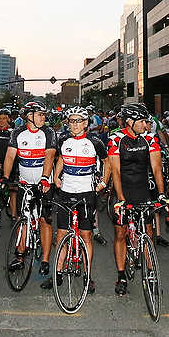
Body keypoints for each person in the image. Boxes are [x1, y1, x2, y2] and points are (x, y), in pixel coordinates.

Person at [107, 103, 169, 296]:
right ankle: (121, 276)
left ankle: (150, 272)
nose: (146, 124)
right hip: (122, 190)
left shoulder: (150, 139)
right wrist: (121, 199)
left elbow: (157, 168)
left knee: (149, 232)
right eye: (142, 121)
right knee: (121, 234)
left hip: (142, 189)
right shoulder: (116, 139)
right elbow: (115, 171)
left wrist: (161, 194)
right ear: (130, 122)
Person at [44, 106, 107, 293]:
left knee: (86, 235)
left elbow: (107, 162)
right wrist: (57, 175)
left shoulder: (95, 141)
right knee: (61, 234)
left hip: (87, 193)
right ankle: (58, 273)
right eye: (72, 121)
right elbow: (61, 158)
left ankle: (88, 276)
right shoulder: (63, 138)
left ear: (86, 123)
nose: (75, 124)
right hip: (66, 191)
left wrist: (103, 182)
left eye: (79, 120)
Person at [3, 101, 58, 283]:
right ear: (29, 116)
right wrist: (4, 177)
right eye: (40, 114)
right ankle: (19, 255)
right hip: (25, 183)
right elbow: (10, 156)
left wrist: (44, 177)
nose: (43, 117)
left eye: (43, 114)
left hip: (44, 183)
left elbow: (50, 155)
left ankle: (44, 260)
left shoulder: (48, 132)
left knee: (44, 220)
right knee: (23, 218)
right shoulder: (18, 133)